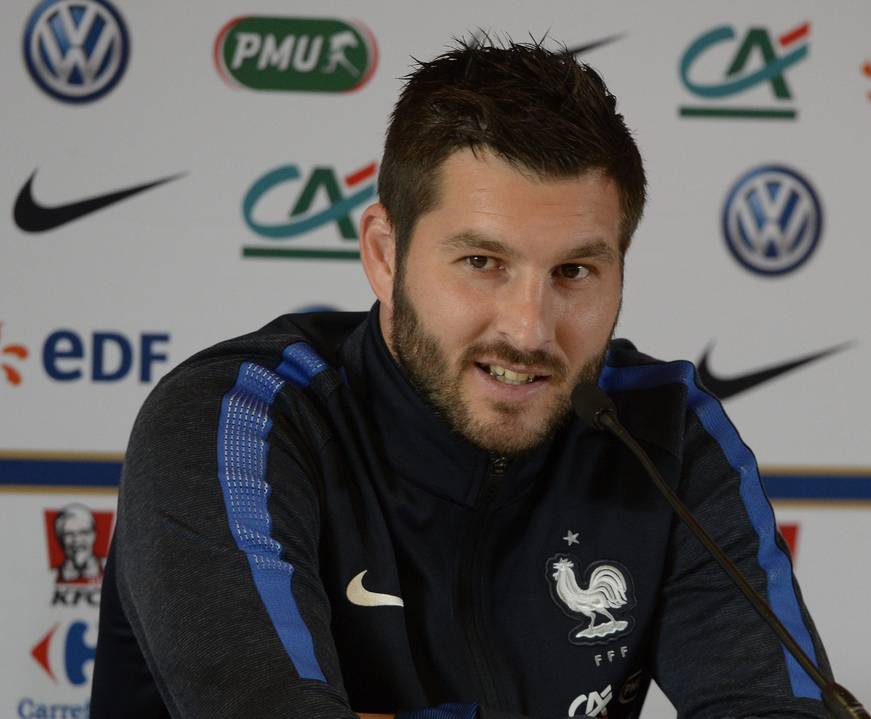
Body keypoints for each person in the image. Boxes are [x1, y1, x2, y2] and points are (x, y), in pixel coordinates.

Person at [91, 39, 833, 719]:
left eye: (575, 271)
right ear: (384, 254)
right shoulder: (237, 421)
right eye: (483, 262)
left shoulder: (660, 430)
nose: (530, 329)